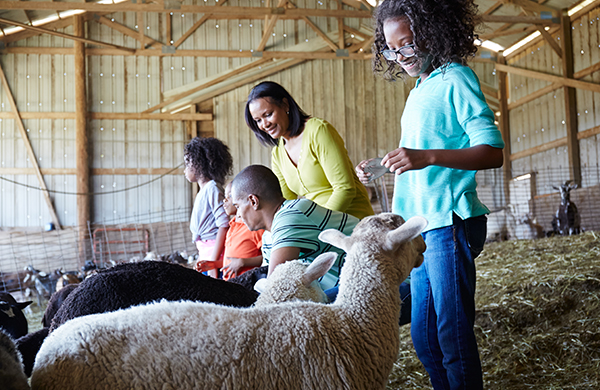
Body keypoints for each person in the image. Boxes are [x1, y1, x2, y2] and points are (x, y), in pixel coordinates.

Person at [355, 1, 505, 389]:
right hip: (420, 229)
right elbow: (422, 153)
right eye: (391, 48)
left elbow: (492, 151)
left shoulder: (457, 78)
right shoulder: (422, 86)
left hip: (448, 222)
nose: (400, 55)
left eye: (408, 44)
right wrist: (386, 163)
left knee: (451, 335)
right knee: (424, 339)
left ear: (434, 33)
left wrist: (426, 157)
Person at [230, 165, 412, 324]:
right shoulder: (269, 236)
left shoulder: (291, 215)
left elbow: (275, 294)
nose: (236, 215)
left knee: (311, 319)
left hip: (397, 283)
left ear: (253, 201)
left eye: (237, 206)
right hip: (351, 287)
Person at [245, 81, 374, 220]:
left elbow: (345, 189)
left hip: (352, 221)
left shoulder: (318, 130)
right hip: (316, 227)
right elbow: (286, 202)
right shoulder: (277, 153)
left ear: (285, 104)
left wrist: (315, 227)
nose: (264, 124)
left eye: (268, 114)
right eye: (258, 120)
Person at [184, 137, 232, 279]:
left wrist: (213, 262)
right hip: (205, 253)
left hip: (213, 254)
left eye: (187, 163)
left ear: (200, 164)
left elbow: (224, 224)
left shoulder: (212, 188)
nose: (185, 170)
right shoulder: (204, 190)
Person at [220, 181, 265, 280]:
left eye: (230, 195)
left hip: (247, 283)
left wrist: (243, 262)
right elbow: (232, 261)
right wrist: (214, 264)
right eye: (225, 196)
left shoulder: (254, 227)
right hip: (231, 283)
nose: (225, 200)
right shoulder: (232, 225)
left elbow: (267, 257)